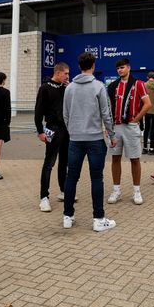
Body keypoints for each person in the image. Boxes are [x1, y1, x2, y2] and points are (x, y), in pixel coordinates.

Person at [62, 51, 117, 232]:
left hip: (75, 140)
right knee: (96, 178)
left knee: (72, 177)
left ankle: (68, 216)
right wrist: (111, 134)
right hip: (94, 139)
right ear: (93, 66)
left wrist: (73, 131)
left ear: (79, 66)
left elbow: (66, 114)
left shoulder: (69, 88)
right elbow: (106, 114)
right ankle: (98, 219)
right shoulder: (99, 87)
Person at [105, 58, 152, 205]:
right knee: (115, 158)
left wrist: (136, 118)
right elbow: (108, 108)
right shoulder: (113, 86)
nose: (120, 70)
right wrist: (108, 127)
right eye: (118, 68)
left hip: (131, 127)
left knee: (135, 158)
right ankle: (116, 190)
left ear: (129, 68)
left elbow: (148, 104)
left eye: (122, 67)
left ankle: (137, 191)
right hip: (115, 127)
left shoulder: (138, 84)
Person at [35, 62, 70, 212]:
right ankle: (44, 197)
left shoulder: (65, 88)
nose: (68, 76)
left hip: (66, 129)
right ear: (58, 72)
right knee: (49, 163)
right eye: (66, 73)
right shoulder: (45, 88)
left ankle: (63, 190)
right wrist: (40, 131)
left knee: (64, 161)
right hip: (52, 128)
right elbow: (38, 111)